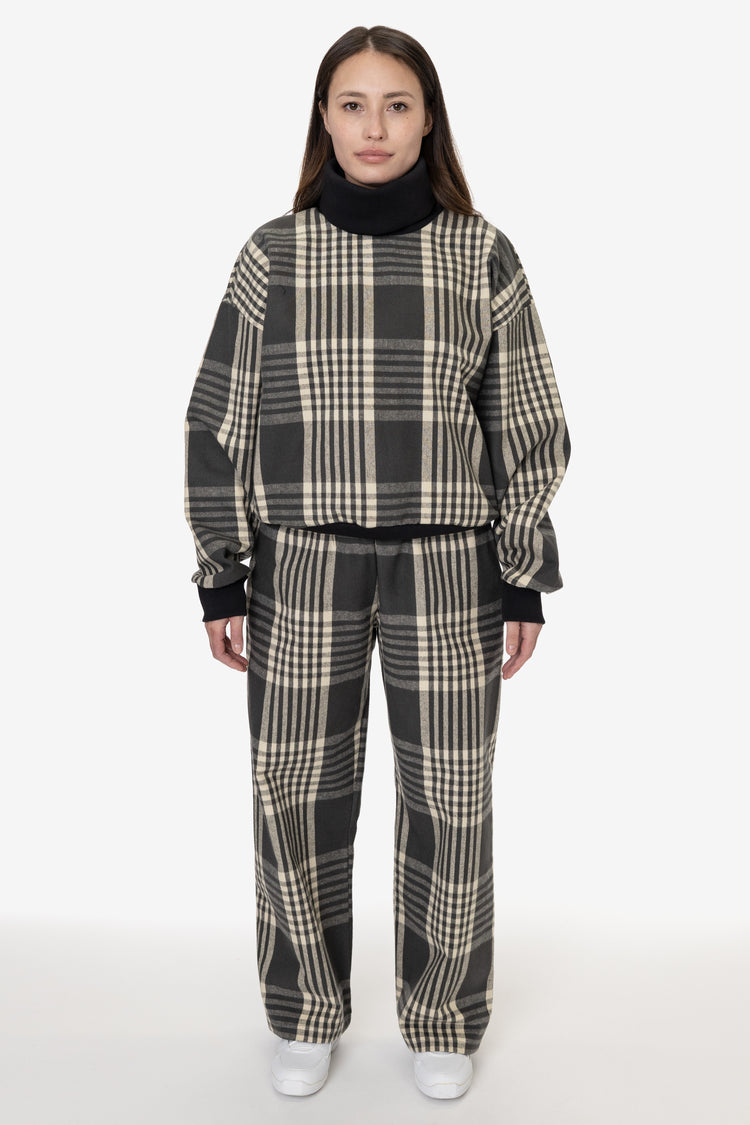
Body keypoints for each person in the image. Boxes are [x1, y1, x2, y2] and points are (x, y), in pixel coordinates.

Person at [184, 24, 570, 1101]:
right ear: (324, 117)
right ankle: (304, 1007)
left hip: (448, 563)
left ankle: (442, 1014)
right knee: (295, 791)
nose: (374, 126)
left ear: (428, 119)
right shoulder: (274, 254)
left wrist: (522, 570)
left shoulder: (479, 254)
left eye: (397, 104)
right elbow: (217, 415)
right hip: (301, 559)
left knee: (452, 793)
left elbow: (526, 418)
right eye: (352, 104)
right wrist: (221, 569)